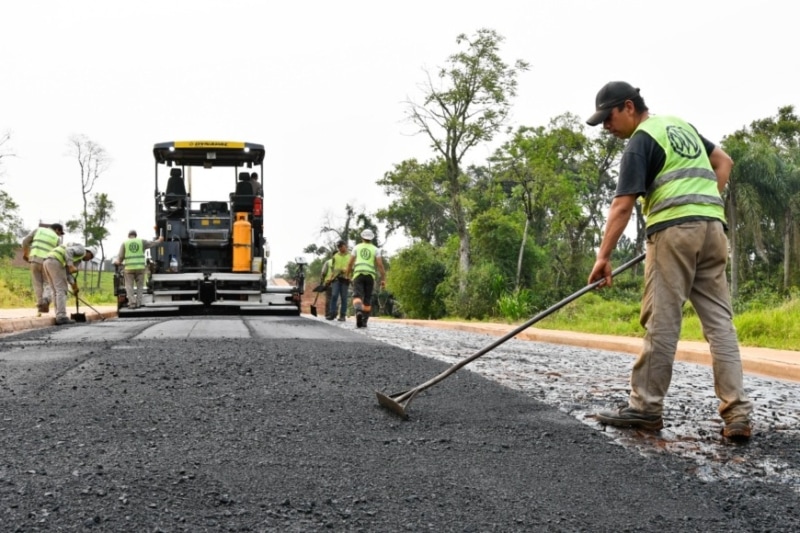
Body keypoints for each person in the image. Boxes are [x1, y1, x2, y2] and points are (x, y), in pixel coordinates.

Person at [585, 81, 753, 440]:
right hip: (713, 230)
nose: (606, 126)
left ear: (628, 107)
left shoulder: (642, 140)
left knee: (661, 319)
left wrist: (603, 257)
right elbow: (724, 161)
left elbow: (623, 205)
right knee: (720, 324)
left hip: (675, 232)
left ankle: (645, 408)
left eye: (608, 117)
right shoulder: (681, 127)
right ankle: (737, 414)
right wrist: (703, 204)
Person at [42, 243, 94, 325]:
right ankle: (61, 316)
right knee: (61, 290)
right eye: (91, 257)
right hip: (56, 261)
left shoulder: (76, 259)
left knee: (55, 290)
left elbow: (67, 273)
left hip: (47, 261)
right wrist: (70, 265)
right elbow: (68, 251)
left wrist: (74, 286)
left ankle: (58, 315)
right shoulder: (82, 250)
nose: (89, 259)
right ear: (89, 252)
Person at [113, 229, 164, 308]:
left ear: (128, 236)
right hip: (140, 268)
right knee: (140, 286)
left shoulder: (125, 243)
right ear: (136, 235)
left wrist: (117, 262)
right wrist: (160, 240)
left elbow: (120, 257)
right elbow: (153, 243)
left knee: (129, 286)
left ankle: (132, 303)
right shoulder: (141, 242)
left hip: (129, 269)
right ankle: (139, 303)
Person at [345, 229, 386, 329]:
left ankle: (358, 311)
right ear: (372, 238)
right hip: (370, 276)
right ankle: (364, 321)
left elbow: (350, 263)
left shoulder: (356, 248)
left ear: (362, 237)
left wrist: (347, 275)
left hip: (358, 274)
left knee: (357, 296)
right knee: (367, 298)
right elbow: (380, 265)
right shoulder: (376, 249)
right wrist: (383, 278)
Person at [21, 223, 64, 315]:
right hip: (47, 262)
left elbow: (25, 241)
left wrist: (25, 254)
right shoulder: (57, 238)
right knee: (48, 283)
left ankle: (40, 305)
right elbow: (59, 252)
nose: (59, 235)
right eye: (60, 233)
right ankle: (46, 300)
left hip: (34, 260)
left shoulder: (38, 230)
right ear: (57, 230)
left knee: (37, 283)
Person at [327, 240, 351, 321]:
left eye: (341, 246)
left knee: (344, 297)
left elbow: (353, 267)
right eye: (338, 247)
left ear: (345, 246)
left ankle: (342, 315)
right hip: (336, 279)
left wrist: (348, 271)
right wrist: (330, 278)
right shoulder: (335, 256)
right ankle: (332, 313)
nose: (340, 248)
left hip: (345, 279)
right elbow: (333, 269)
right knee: (334, 295)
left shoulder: (351, 256)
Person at [318, 252, 334, 319]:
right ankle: (333, 313)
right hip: (337, 283)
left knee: (328, 298)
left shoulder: (328, 262)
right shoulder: (339, 262)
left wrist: (321, 281)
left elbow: (323, 273)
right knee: (335, 299)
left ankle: (328, 313)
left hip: (328, 283)